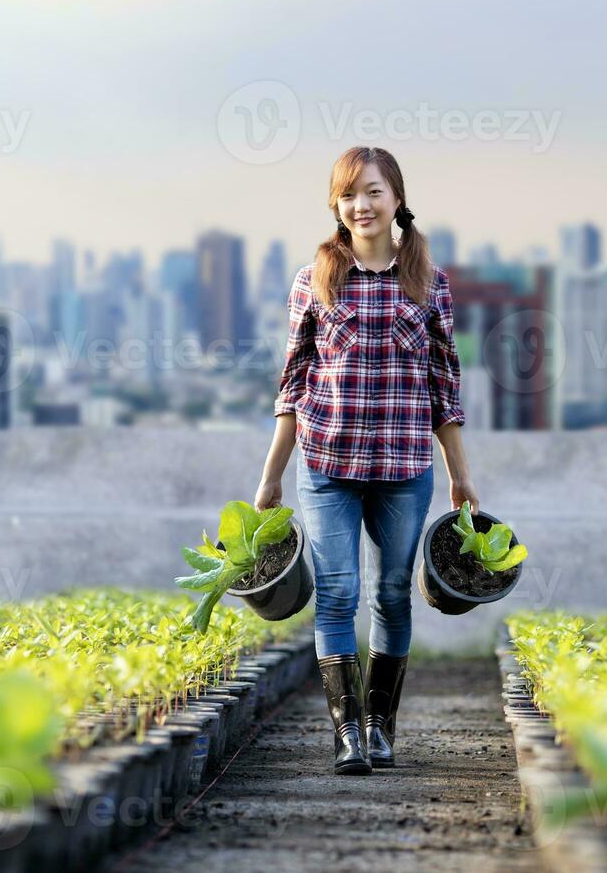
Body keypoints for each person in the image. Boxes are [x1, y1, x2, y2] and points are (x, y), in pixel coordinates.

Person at [254, 145, 479, 775]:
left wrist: (460, 474)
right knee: (336, 593)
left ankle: (382, 726)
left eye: (374, 191)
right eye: (350, 194)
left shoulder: (429, 284)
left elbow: (444, 386)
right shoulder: (315, 280)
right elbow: (294, 383)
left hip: (405, 465)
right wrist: (272, 475)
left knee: (390, 594)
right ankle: (347, 733)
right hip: (327, 462)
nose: (363, 205)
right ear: (336, 205)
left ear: (398, 199)